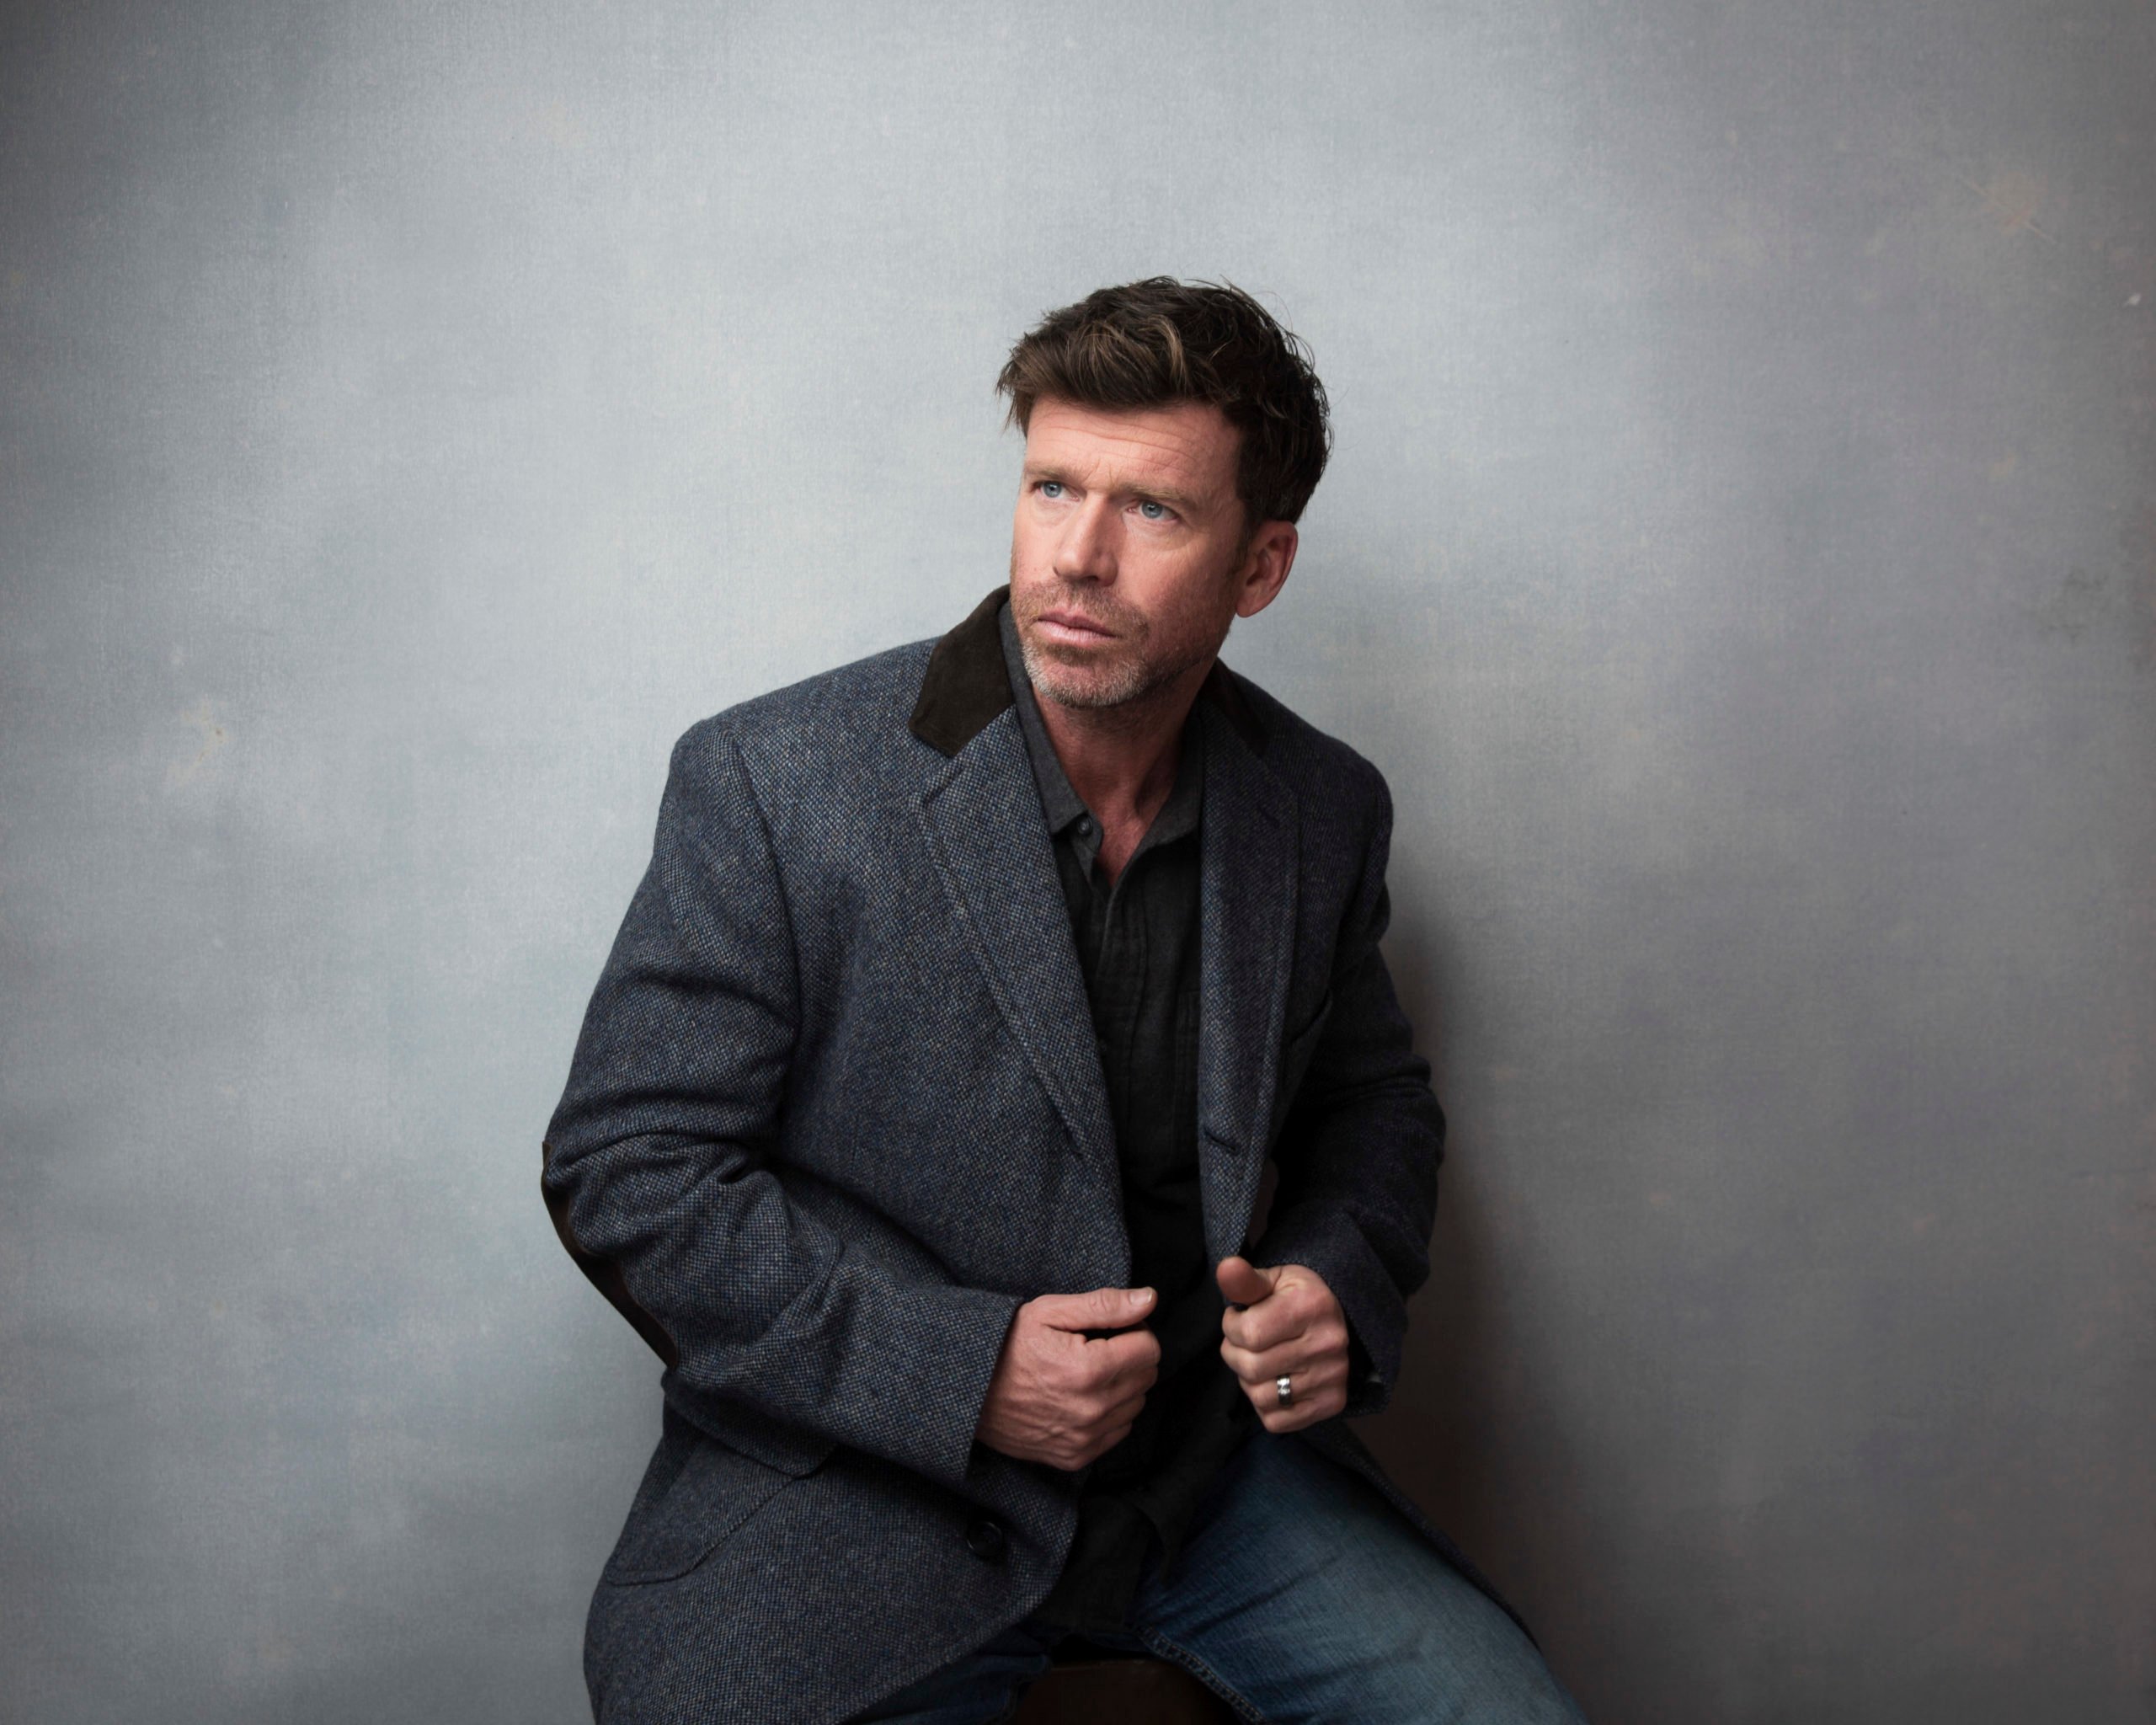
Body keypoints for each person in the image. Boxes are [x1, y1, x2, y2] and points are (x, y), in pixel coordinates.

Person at [542, 278, 1586, 1725]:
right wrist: (959, 1376)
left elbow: (1371, 1106)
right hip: (876, 1485)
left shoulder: (1324, 807)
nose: (1077, 559)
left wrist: (1337, 1279)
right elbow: (628, 1169)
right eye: (1052, 488)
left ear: (1261, 563)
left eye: (1152, 511)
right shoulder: (776, 782)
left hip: (1215, 1490)